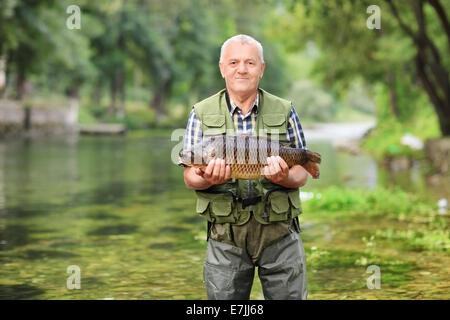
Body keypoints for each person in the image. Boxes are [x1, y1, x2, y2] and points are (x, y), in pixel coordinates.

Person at [180, 34, 309, 300]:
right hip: (225, 237)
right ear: (222, 68)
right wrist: (207, 179)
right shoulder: (200, 112)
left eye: (250, 63)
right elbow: (190, 177)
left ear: (261, 69)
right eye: (234, 62)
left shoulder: (286, 110)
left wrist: (284, 177)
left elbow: (302, 173)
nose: (242, 69)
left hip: (280, 234)